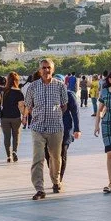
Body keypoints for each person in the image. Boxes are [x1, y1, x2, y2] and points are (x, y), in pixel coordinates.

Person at [23, 60, 67, 200]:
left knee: (55, 157)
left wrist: (56, 115)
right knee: (38, 158)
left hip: (55, 127)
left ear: (53, 70)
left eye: (49, 68)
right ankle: (39, 189)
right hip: (38, 128)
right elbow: (29, 106)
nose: (46, 70)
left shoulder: (60, 86)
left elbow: (64, 105)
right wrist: (37, 114)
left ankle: (56, 181)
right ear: (39, 70)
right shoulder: (33, 87)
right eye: (44, 68)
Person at [0, 72, 24, 163]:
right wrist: (24, 116)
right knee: (16, 136)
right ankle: (14, 151)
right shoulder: (19, 92)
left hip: (4, 117)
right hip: (16, 117)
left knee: (7, 137)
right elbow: (21, 106)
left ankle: (8, 156)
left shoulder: (3, 91)